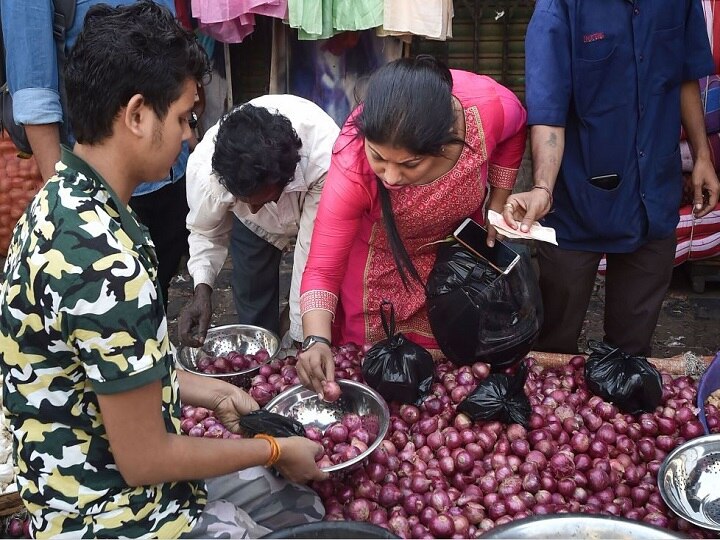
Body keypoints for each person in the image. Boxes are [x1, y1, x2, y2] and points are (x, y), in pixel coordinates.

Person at [0, 3, 326, 539]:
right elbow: (146, 460)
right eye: (183, 118)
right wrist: (274, 446)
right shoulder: (101, 258)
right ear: (136, 115)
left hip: (94, 481)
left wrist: (215, 392)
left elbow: (112, 370)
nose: (190, 138)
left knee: (298, 501)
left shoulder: (68, 198)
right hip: (113, 517)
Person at [296, 55, 527, 396]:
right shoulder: (352, 162)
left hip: (453, 266)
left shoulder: (485, 108)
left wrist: (497, 200)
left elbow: (517, 128)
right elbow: (322, 269)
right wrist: (316, 339)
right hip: (377, 274)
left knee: (449, 376)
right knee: (379, 375)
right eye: (379, 157)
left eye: (410, 164)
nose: (389, 177)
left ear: (447, 143)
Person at [501, 0, 720, 357]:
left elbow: (683, 76)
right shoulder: (560, 6)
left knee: (632, 346)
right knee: (553, 341)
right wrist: (543, 187)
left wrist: (703, 157)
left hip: (653, 191)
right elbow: (548, 109)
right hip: (576, 197)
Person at [1, 0, 193, 309]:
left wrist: (183, 122)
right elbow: (34, 95)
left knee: (151, 298)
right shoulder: (80, 232)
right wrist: (69, 210)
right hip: (103, 183)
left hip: (169, 171)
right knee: (115, 302)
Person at [179, 95, 339, 347]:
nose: (253, 209)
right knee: (253, 292)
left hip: (315, 199)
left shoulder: (324, 159)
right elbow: (205, 231)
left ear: (284, 180)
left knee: (318, 304)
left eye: (262, 200)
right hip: (252, 226)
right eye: (244, 200)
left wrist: (302, 334)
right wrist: (202, 289)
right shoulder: (205, 173)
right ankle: (260, 352)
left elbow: (313, 257)